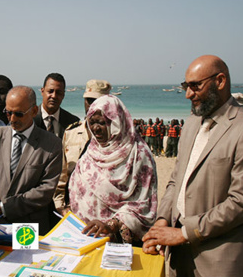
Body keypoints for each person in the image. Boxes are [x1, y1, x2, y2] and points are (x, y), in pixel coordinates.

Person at [143, 55, 243, 277]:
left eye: (195, 86)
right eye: (185, 86)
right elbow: (176, 181)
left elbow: (242, 203)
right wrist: (163, 220)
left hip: (221, 264)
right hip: (179, 256)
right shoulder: (192, 124)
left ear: (220, 81)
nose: (188, 95)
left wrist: (183, 233)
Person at [69, 95, 158, 245]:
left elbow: (145, 204)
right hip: (83, 237)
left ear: (117, 122)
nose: (96, 128)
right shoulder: (90, 151)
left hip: (117, 243)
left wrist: (111, 225)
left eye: (102, 123)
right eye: (92, 122)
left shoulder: (139, 154)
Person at [0, 86, 62, 234]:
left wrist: (5, 207)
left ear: (34, 111)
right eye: (8, 113)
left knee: (29, 258)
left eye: (19, 114)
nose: (12, 119)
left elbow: (45, 190)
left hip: (30, 227)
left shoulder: (51, 144)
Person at [53, 79, 111, 215]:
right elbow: (61, 174)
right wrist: (60, 206)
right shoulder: (71, 133)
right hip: (73, 210)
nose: (93, 105)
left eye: (98, 101)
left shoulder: (117, 137)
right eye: (89, 100)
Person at [33, 73, 79, 138]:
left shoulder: (73, 123)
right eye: (50, 91)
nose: (54, 96)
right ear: (42, 91)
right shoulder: (30, 119)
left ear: (63, 95)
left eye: (58, 93)